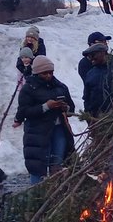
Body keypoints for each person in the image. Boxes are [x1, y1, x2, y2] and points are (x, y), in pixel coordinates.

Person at [15, 56, 76, 184]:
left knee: (57, 163)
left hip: (60, 130)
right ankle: (36, 198)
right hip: (38, 132)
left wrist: (66, 108)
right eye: (44, 73)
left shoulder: (60, 86)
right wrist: (45, 107)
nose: (48, 75)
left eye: (51, 72)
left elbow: (72, 108)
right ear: (37, 73)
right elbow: (24, 111)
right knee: (38, 167)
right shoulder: (29, 88)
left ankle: (55, 193)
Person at [79, 43, 113, 117]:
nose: (91, 59)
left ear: (102, 53)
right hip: (97, 118)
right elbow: (87, 97)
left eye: (93, 55)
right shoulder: (90, 74)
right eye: (89, 57)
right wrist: (88, 115)